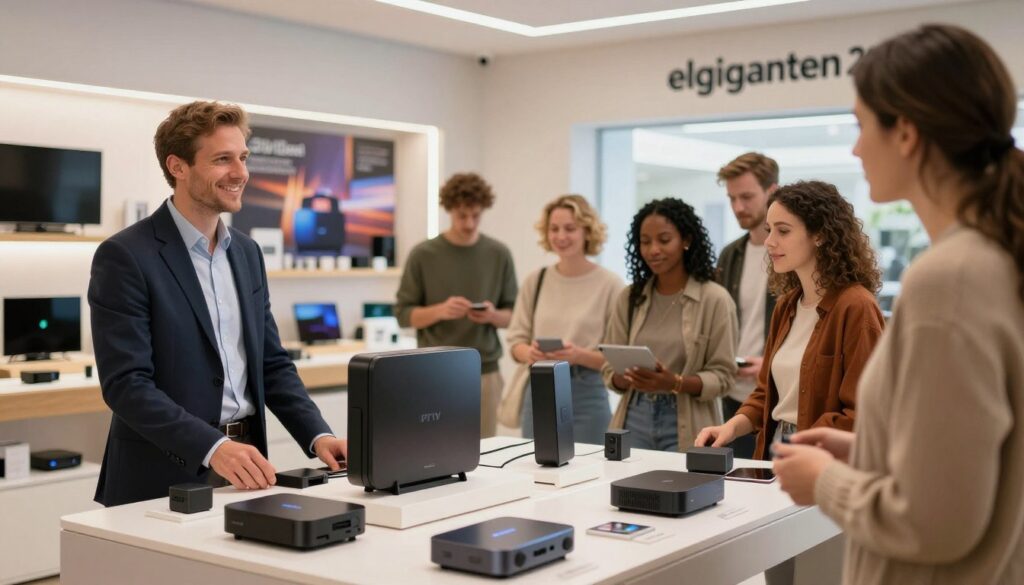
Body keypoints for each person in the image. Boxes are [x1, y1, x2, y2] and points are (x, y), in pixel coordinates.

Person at [773, 24, 1024, 584]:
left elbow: (936, 523)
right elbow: (978, 460)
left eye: (862, 125)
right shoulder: (997, 259)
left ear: (906, 132)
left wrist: (823, 481)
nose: (856, 147)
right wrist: (872, 448)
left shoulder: (951, 280)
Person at [88, 101, 347, 507]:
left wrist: (318, 435)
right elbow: (127, 386)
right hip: (161, 474)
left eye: (243, 157)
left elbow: (271, 363)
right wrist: (213, 447)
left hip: (247, 466)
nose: (240, 173)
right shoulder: (125, 255)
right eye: (223, 159)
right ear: (178, 167)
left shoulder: (246, 253)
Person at [695, 180, 884, 460]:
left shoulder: (856, 307)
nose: (769, 241)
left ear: (820, 235)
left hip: (822, 458)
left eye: (783, 231)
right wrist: (730, 427)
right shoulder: (786, 306)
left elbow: (864, 411)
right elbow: (766, 394)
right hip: (774, 448)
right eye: (769, 230)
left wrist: (801, 445)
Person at [601, 198, 737, 451]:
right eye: (645, 241)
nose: (653, 250)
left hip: (687, 421)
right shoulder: (630, 297)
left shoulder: (715, 299)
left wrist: (674, 382)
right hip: (634, 415)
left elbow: (724, 377)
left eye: (664, 240)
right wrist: (625, 377)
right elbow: (609, 368)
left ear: (686, 240)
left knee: (682, 478)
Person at [394, 172, 517, 438]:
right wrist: (440, 311)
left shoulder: (499, 254)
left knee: (485, 452)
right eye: (462, 215)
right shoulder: (423, 254)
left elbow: (515, 317)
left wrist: (492, 316)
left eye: (476, 215)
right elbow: (403, 315)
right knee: (434, 448)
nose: (469, 223)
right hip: (433, 372)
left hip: (484, 371)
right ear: (449, 209)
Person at [501, 195, 623, 444]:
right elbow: (515, 342)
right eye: (554, 229)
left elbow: (618, 356)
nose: (561, 236)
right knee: (536, 464)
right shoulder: (536, 281)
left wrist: (578, 355)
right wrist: (530, 353)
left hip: (587, 392)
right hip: (540, 388)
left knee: (592, 464)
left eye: (570, 228)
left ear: (587, 231)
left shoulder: (611, 285)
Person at [715, 152, 780, 459]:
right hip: (732, 396)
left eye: (747, 197)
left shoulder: (790, 255)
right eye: (732, 198)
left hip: (776, 396)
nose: (738, 207)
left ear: (772, 190)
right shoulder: (730, 255)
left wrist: (768, 362)